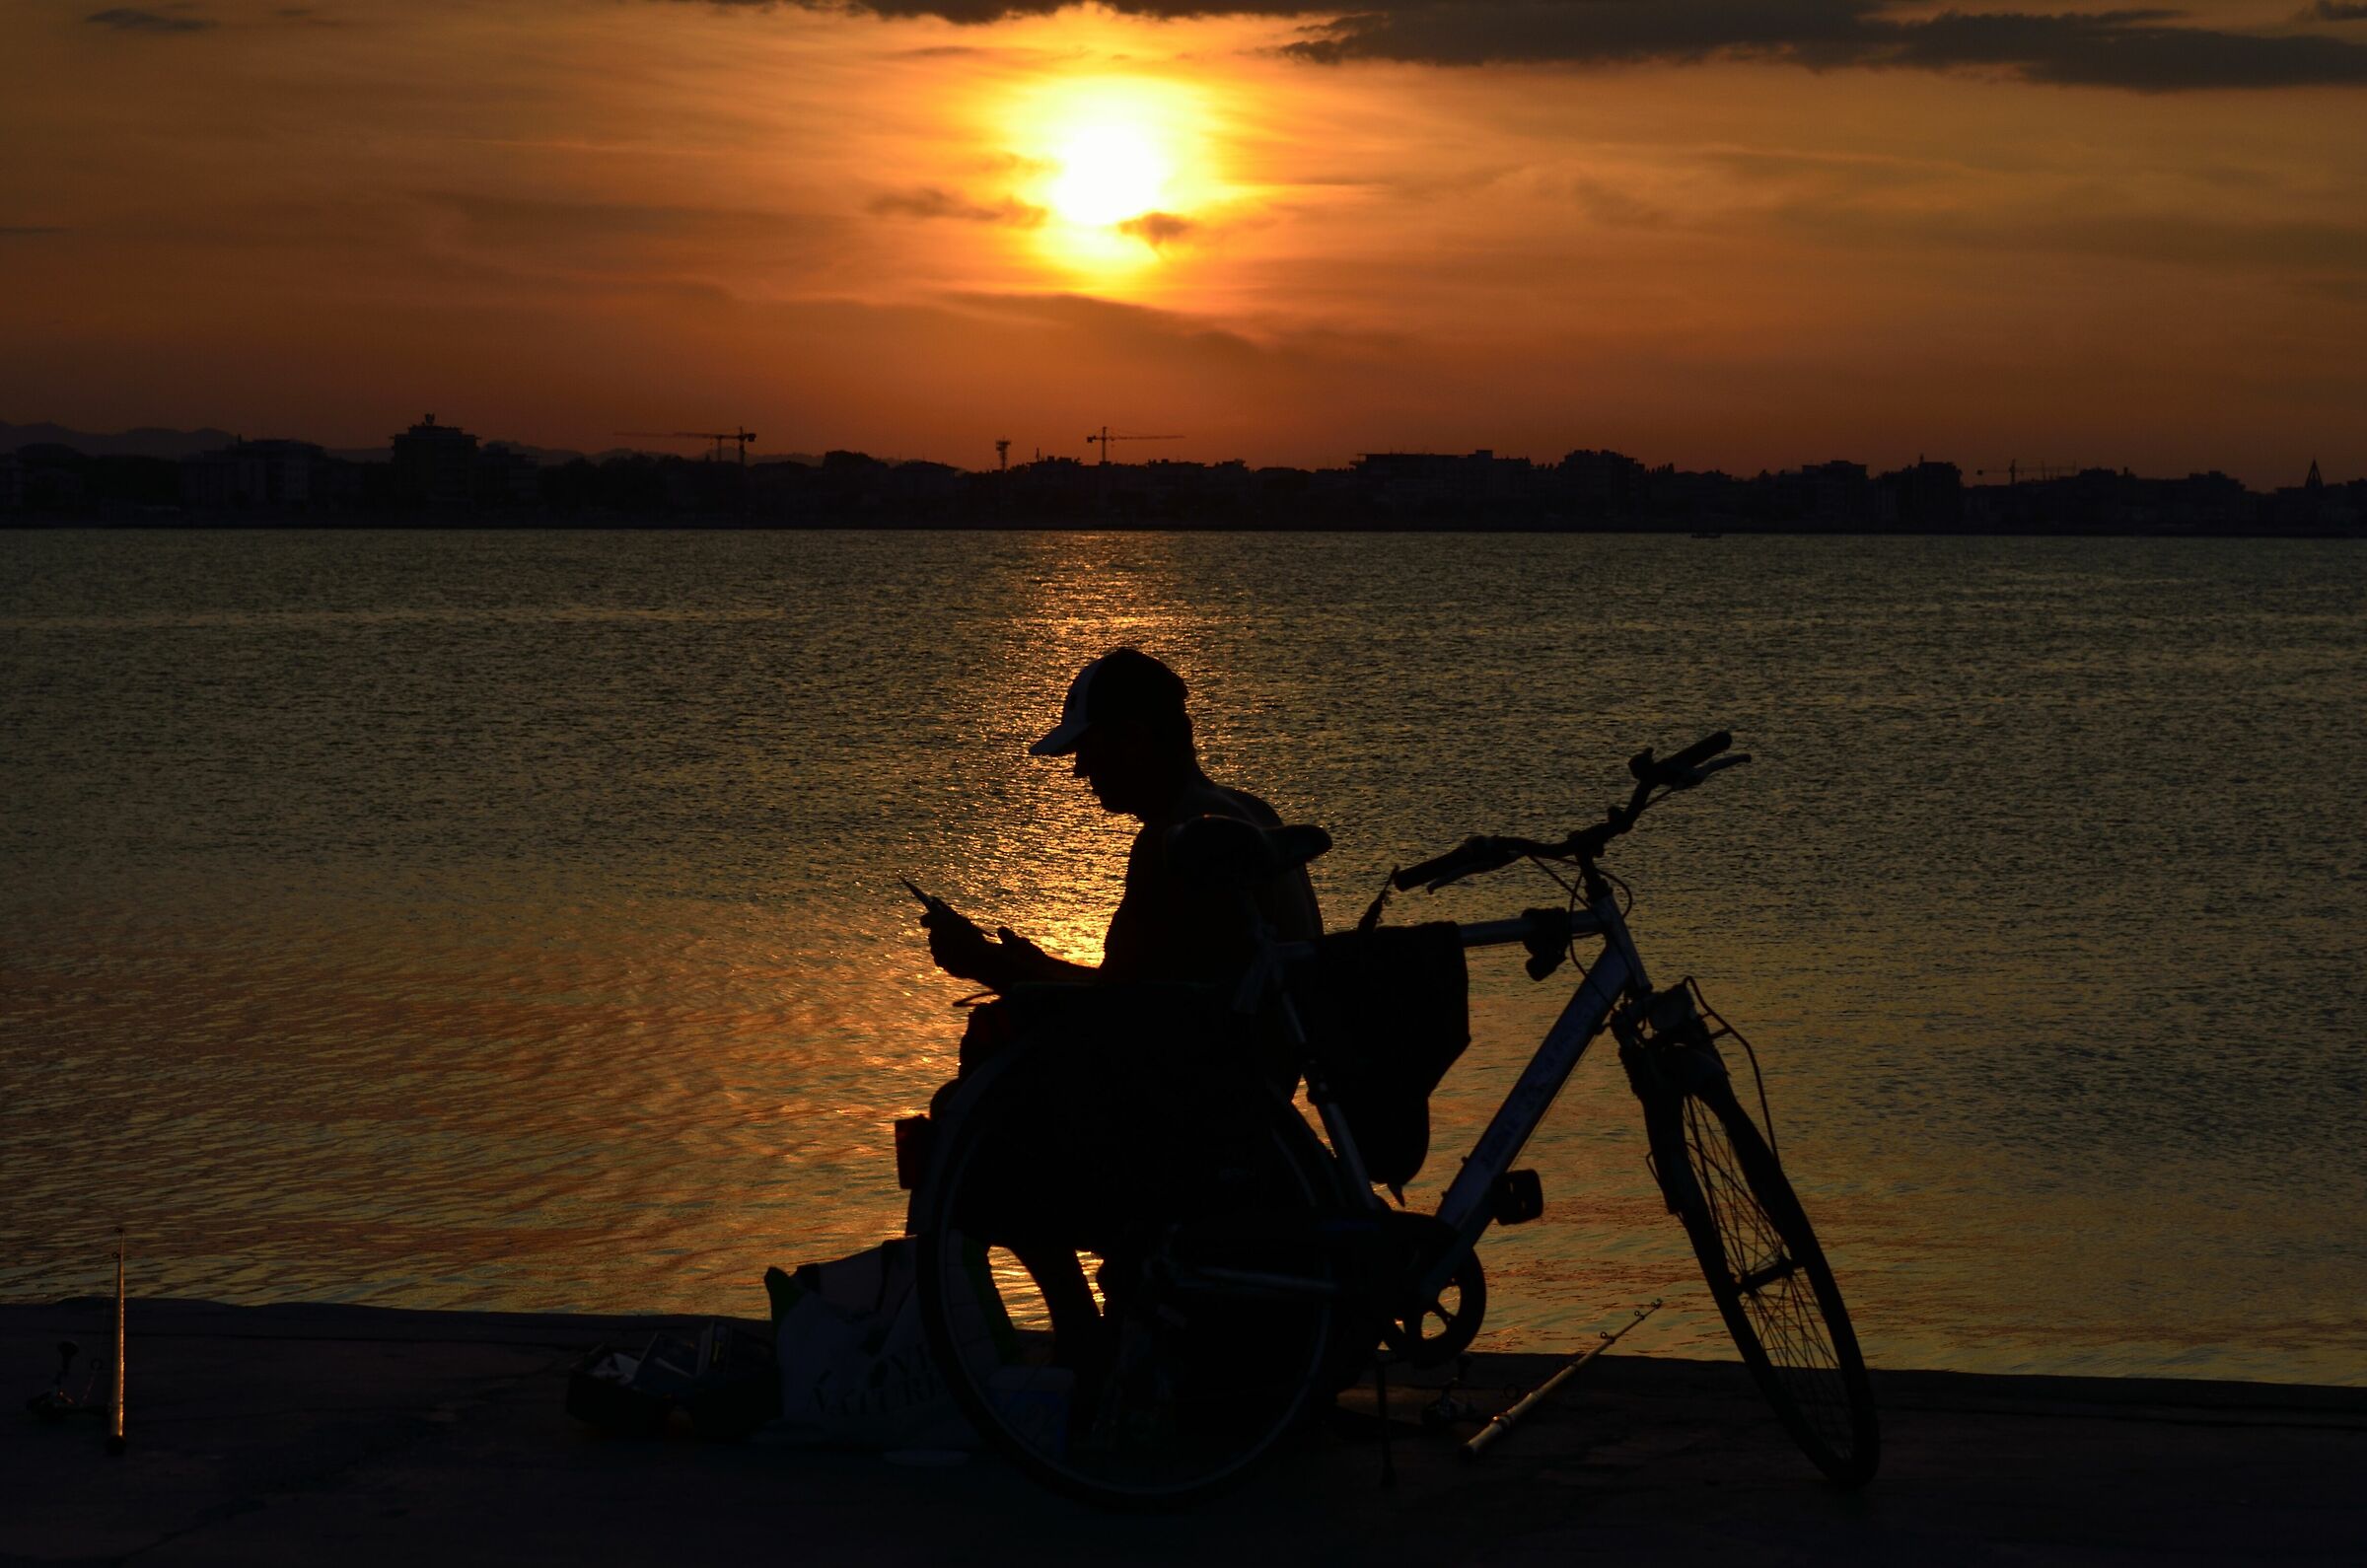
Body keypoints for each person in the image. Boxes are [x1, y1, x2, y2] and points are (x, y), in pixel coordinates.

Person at [922, 647, 1323, 1001]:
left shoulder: (1174, 841)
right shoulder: (1256, 813)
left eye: (1088, 751)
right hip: (1258, 1070)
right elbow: (1136, 989)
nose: (1080, 771)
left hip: (1208, 1079)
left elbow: (1113, 1011)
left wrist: (980, 962)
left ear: (1133, 739)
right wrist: (1037, 965)